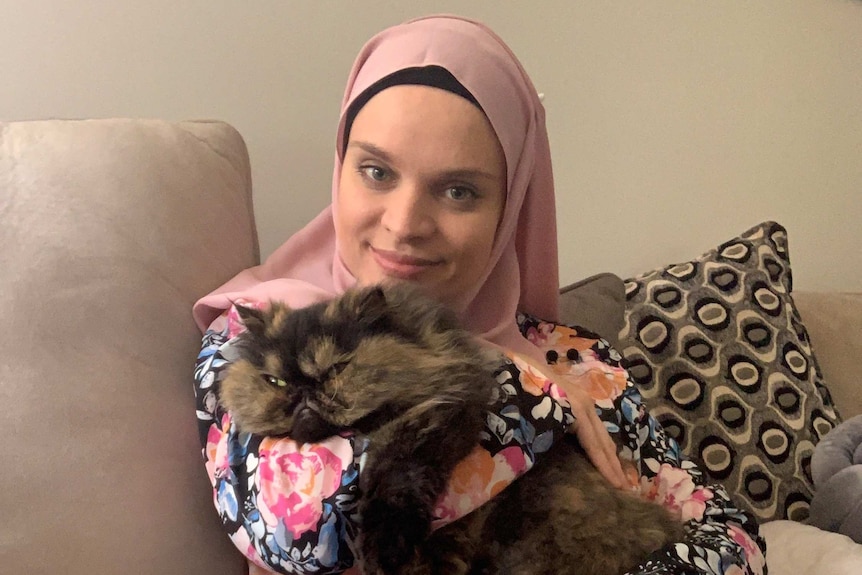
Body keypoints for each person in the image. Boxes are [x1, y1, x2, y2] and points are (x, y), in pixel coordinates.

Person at [192, 14, 766, 575]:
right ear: (340, 166)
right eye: (376, 171)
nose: (406, 222)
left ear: (510, 206)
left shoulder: (577, 358)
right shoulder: (253, 335)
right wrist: (523, 394)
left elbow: (731, 540)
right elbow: (299, 532)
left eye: (459, 190)